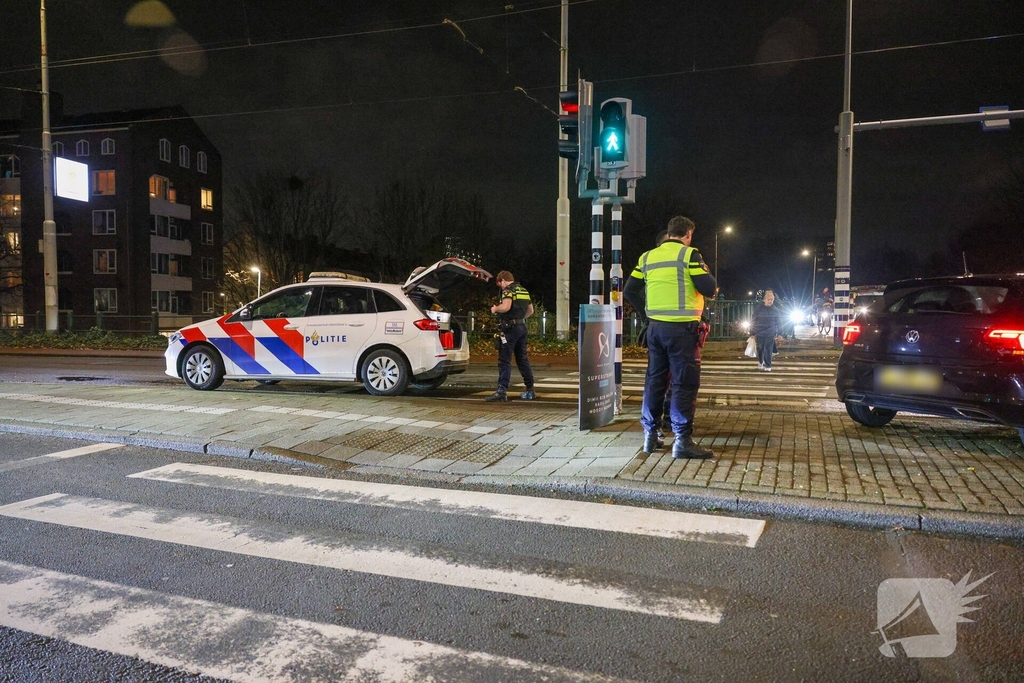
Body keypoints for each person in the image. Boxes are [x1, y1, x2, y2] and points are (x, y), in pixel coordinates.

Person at [623, 216, 718, 459]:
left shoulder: (647, 257)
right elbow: (709, 288)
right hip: (682, 331)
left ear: (669, 232)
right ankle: (682, 441)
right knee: (684, 384)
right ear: (687, 234)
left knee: (655, 382)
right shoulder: (689, 255)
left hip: (655, 330)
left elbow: (630, 290)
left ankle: (650, 436)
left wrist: (646, 316)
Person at [485, 270, 536, 402]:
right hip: (522, 328)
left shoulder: (508, 290)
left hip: (510, 329)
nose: (501, 287)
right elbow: (531, 311)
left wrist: (495, 309)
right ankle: (530, 390)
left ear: (502, 280)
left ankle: (501, 391)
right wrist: (519, 319)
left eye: (500, 284)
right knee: (522, 359)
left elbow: (506, 307)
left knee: (504, 360)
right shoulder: (524, 290)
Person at [750, 289, 782, 371]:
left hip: (770, 332)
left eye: (771, 300)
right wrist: (752, 332)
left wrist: (780, 333)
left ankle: (768, 365)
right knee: (760, 348)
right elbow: (754, 320)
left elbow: (779, 322)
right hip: (760, 331)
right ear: (764, 300)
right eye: (768, 299)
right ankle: (761, 361)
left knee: (768, 349)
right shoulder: (759, 309)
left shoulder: (775, 310)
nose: (770, 301)